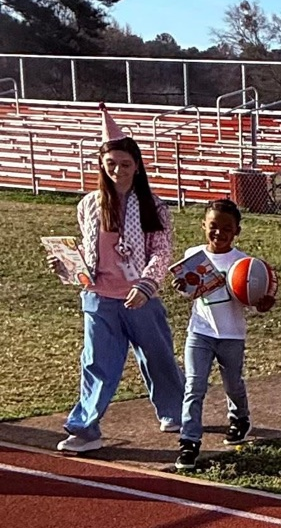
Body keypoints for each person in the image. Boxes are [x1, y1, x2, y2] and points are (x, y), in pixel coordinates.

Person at [52, 105, 184, 453]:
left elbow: (162, 250)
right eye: (111, 164)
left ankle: (174, 411)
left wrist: (146, 285)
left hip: (141, 299)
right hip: (99, 297)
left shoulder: (153, 206)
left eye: (125, 164)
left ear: (137, 166)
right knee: (97, 362)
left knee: (157, 357)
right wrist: (68, 266)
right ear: (101, 166)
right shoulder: (88, 205)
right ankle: (85, 427)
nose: (118, 170)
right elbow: (87, 249)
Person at [172, 198, 254, 470]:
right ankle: (189, 442)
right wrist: (182, 286)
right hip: (200, 331)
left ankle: (239, 417)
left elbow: (254, 296)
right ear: (203, 225)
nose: (219, 233)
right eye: (213, 226)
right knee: (194, 386)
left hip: (231, 334)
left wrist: (262, 300)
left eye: (227, 228)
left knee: (233, 384)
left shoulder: (243, 262)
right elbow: (188, 290)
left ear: (237, 231)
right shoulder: (194, 254)